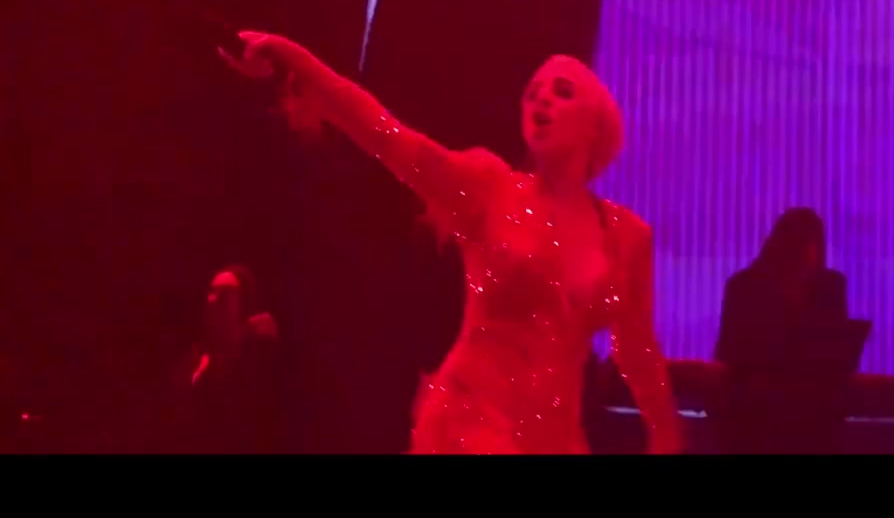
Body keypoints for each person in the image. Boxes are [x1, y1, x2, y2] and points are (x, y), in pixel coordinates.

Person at [220, 32, 681, 454]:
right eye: (532, 92)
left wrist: (666, 437)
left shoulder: (624, 236)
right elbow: (384, 134)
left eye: (562, 91)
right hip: (470, 425)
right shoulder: (488, 189)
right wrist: (290, 56)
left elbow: (637, 351)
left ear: (596, 126)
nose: (541, 98)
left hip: (554, 440)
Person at [713, 208, 850, 454]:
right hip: (757, 409)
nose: (810, 252)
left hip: (816, 410)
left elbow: (839, 350)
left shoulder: (831, 286)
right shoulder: (745, 287)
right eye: (804, 243)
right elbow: (729, 351)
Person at [167, 264, 282, 453]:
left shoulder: (255, 360)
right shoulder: (190, 361)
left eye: (225, 294)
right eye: (212, 291)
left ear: (242, 304)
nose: (213, 299)